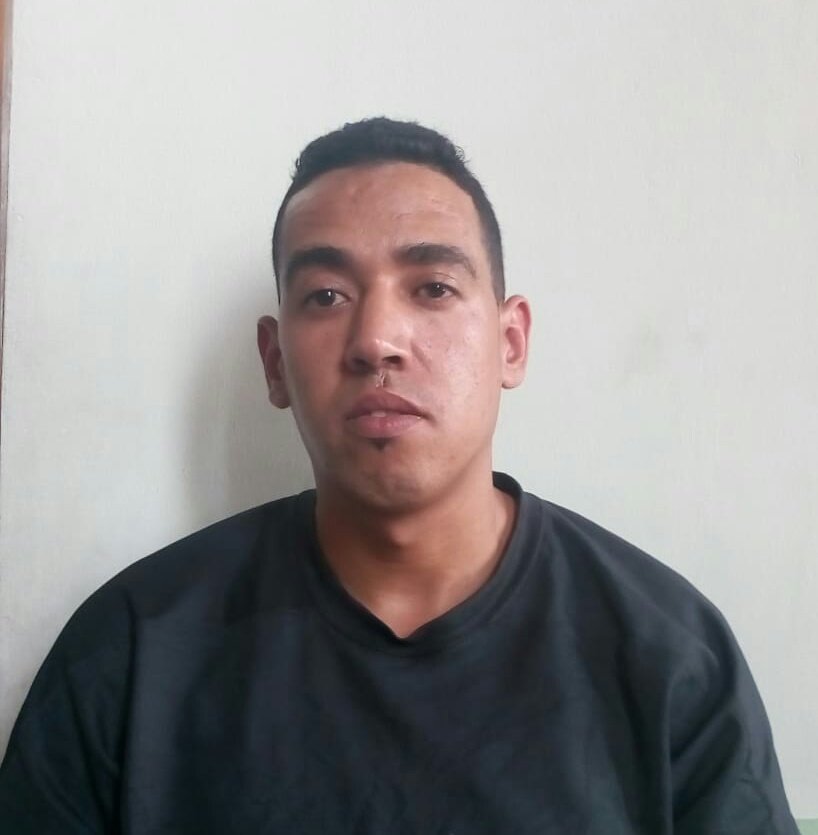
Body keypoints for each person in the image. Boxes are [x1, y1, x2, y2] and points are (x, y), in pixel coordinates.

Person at [0, 117, 799, 834]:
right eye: (326, 295)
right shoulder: (131, 654)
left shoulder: (672, 660)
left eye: (434, 288)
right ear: (275, 362)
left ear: (511, 342)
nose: (376, 338)